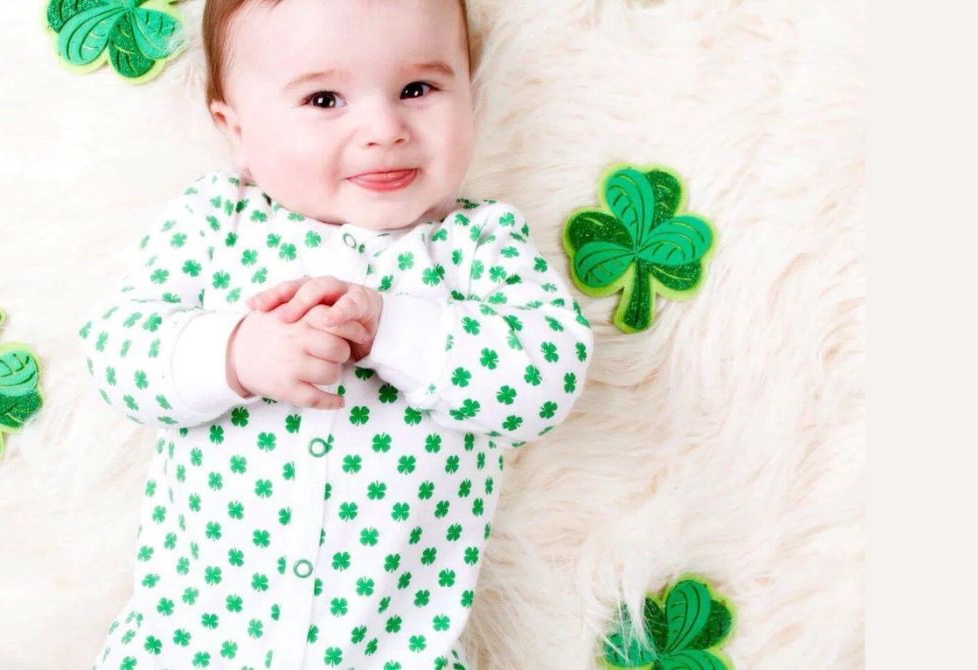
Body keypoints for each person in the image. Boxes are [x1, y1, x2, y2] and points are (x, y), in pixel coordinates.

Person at [79, 1, 594, 667]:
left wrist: (391, 327)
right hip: (188, 645)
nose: (384, 129)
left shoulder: (476, 246)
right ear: (235, 128)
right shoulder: (216, 224)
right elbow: (118, 350)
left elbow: (544, 381)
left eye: (419, 89)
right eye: (325, 98)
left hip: (394, 651)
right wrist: (235, 354)